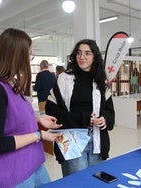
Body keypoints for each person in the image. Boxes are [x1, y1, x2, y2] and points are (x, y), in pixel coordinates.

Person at [0, 28, 62, 188]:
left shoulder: (11, 83)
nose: (29, 59)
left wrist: (37, 118)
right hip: (13, 173)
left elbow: (12, 116)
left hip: (32, 163)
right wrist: (39, 135)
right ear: (16, 56)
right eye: (29, 54)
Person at [45, 39, 115, 177]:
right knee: (78, 182)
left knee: (96, 182)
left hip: (96, 140)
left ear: (95, 56)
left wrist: (105, 119)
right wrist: (82, 119)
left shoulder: (101, 80)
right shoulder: (64, 79)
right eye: (79, 53)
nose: (82, 57)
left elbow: (109, 111)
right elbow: (51, 110)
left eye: (87, 53)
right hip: (70, 140)